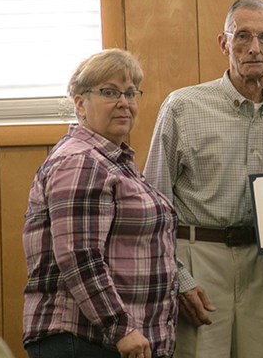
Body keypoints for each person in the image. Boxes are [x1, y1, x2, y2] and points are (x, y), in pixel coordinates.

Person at [144, 0, 263, 358]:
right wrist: (179, 279)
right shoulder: (183, 107)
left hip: (259, 262)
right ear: (224, 43)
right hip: (198, 258)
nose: (254, 48)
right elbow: (153, 205)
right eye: (242, 36)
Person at [22, 49, 179, 358]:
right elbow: (79, 256)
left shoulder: (113, 160)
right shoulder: (80, 162)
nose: (124, 102)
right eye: (109, 92)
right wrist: (121, 327)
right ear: (80, 103)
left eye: (130, 92)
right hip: (84, 341)